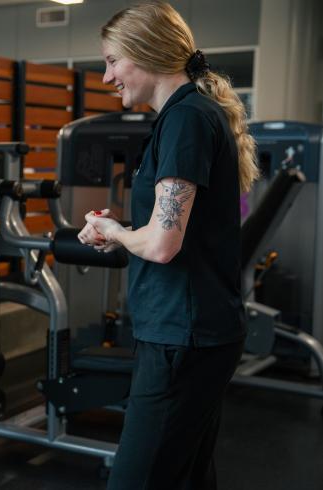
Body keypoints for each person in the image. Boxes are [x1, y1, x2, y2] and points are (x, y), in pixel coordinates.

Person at [77, 3, 259, 489]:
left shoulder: (186, 120)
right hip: (190, 332)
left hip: (185, 336)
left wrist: (114, 231)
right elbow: (168, 230)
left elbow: (161, 244)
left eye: (113, 61)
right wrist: (116, 230)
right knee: (187, 477)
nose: (106, 76)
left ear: (147, 52)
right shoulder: (183, 117)